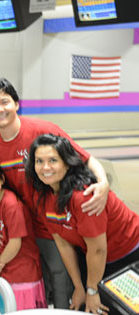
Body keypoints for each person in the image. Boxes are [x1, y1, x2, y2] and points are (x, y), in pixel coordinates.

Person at [0, 77, 110, 308]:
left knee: (60, 278)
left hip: (55, 221)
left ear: (16, 103)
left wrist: (103, 183)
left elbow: (85, 158)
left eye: (5, 101)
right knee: (38, 283)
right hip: (22, 227)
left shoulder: (43, 130)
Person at [26, 134, 139, 315]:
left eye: (53, 160)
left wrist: (92, 290)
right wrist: (79, 286)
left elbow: (98, 249)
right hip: (95, 256)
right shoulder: (42, 195)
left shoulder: (83, 197)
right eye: (39, 161)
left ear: (67, 163)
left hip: (128, 252)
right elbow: (63, 243)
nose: (45, 167)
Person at [0, 158, 46, 310]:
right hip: (5, 265)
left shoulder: (11, 204)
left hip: (22, 270)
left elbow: (15, 243)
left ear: (2, 179)